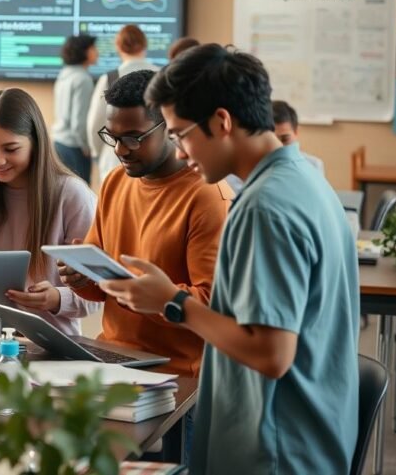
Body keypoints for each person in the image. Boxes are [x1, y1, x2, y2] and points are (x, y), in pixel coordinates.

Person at [107, 44, 358, 474]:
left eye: (182, 134)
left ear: (222, 121)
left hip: (274, 447)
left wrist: (172, 301)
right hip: (309, 433)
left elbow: (271, 353)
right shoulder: (307, 183)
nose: (182, 152)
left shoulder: (265, 206)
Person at [63, 70, 231, 376]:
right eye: (112, 137)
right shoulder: (115, 181)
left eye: (133, 138)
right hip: (111, 356)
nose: (119, 150)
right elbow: (101, 288)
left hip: (177, 373)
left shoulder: (207, 197)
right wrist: (81, 277)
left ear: (169, 127)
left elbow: (212, 306)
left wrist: (146, 295)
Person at [0, 88, 99, 335]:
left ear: (36, 143)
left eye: (11, 149)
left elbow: (97, 296)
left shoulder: (72, 195)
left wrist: (56, 298)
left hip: (52, 347)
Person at [86, 25, 160, 183]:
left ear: (118, 47)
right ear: (145, 45)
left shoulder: (109, 78)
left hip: (114, 161)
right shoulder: (163, 75)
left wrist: (99, 154)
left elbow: (95, 124)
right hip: (154, 161)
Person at [225, 100, 325, 194]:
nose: (279, 147)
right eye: (273, 139)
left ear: (296, 132)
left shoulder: (314, 166)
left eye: (285, 139)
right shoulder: (243, 171)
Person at [51, 34, 98, 183]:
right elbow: (79, 121)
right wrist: (86, 146)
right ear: (84, 52)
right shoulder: (83, 79)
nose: (97, 52)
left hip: (59, 142)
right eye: (93, 48)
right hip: (74, 147)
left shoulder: (65, 74)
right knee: (81, 195)